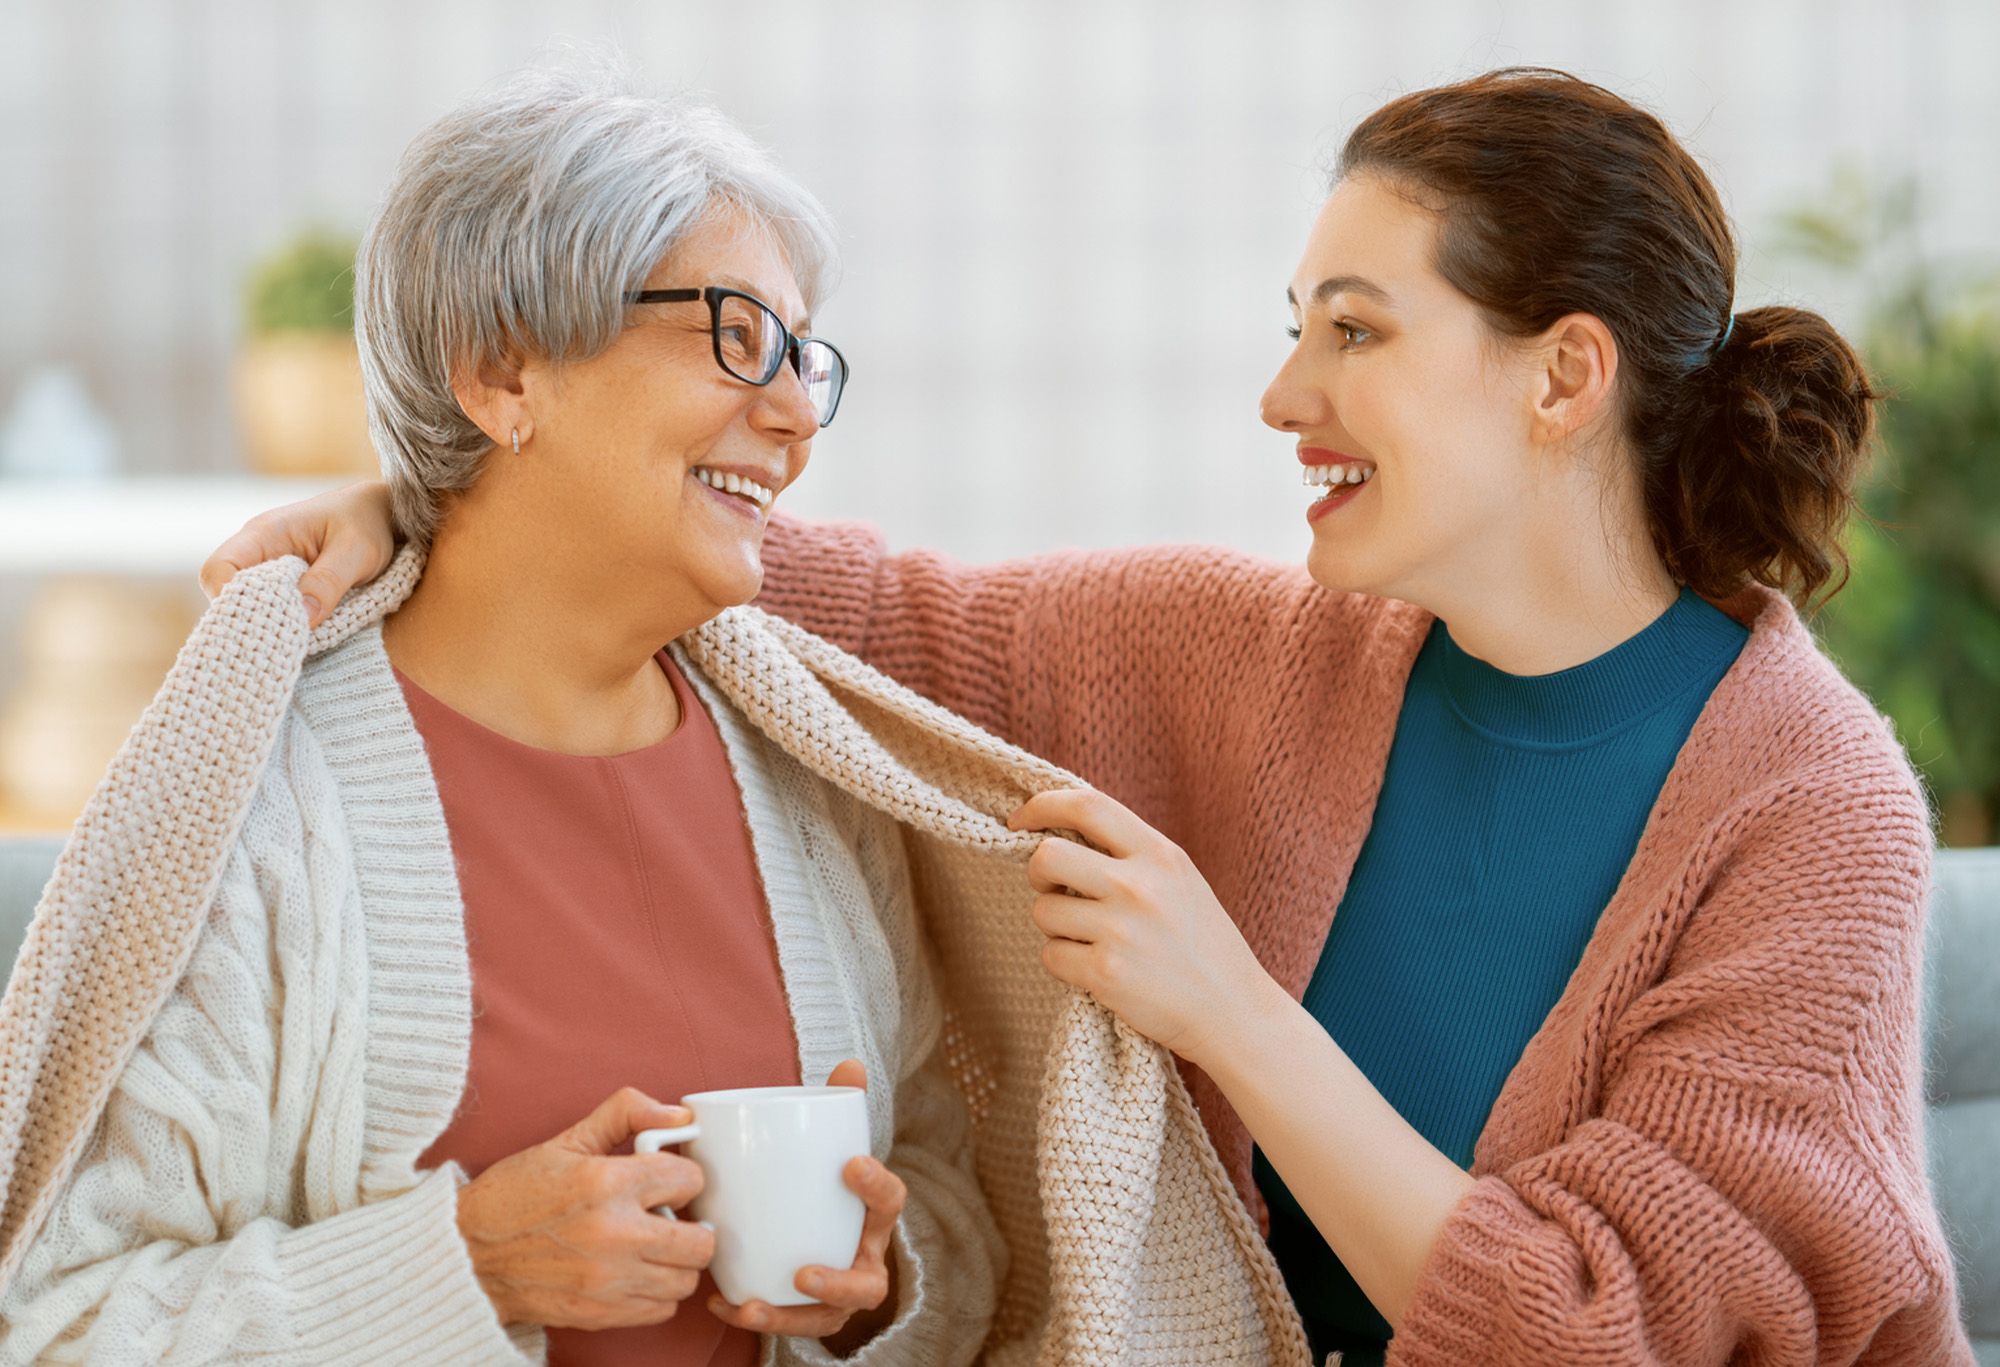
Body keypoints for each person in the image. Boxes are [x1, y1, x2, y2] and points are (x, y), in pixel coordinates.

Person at [205, 68, 1973, 1365]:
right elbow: (826, 603)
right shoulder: (1239, 661)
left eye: (1354, 331)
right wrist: (420, 501)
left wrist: (1234, 1019)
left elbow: (1603, 1336)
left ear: (1564, 378)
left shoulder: (1813, 813)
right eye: (1296, 328)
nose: (1288, 393)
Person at [0, 66, 1005, 1366]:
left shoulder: (815, 784)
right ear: (499, 369)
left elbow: (961, 1221)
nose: (797, 413)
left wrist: (877, 1295)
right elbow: (56, 1322)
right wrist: (463, 1265)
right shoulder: (262, 811)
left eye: (807, 358)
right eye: (739, 336)